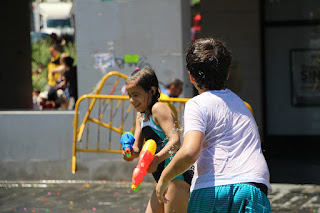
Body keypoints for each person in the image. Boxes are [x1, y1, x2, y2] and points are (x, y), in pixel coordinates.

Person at [156, 38, 271, 212]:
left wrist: (164, 178)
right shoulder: (242, 105)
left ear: (191, 77)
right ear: (227, 74)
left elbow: (189, 152)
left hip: (214, 189)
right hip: (254, 187)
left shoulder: (197, 104)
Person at [123, 68, 193, 213]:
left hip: (176, 177)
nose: (131, 100)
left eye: (136, 95)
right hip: (161, 180)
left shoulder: (159, 108)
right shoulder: (140, 116)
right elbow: (137, 147)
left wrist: (156, 159)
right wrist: (129, 153)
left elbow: (175, 142)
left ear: (152, 91)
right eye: (129, 95)